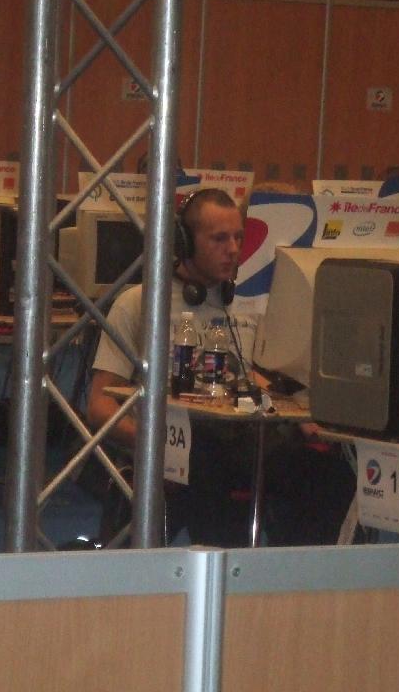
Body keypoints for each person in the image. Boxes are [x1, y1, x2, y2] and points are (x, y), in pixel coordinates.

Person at [87, 188, 261, 546]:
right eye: (219, 238)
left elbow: (261, 385)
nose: (233, 249)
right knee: (207, 466)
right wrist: (155, 443)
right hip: (161, 452)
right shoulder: (140, 303)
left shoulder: (249, 307)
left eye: (238, 237)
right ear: (184, 242)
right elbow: (99, 406)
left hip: (229, 451)